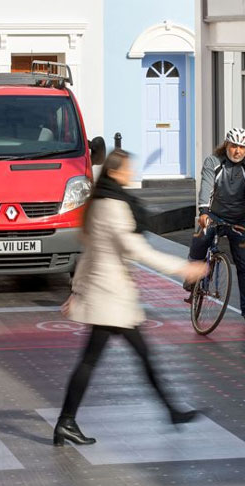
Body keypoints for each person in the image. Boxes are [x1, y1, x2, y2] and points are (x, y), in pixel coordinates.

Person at [54, 149, 208, 447]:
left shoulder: (97, 205)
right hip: (112, 300)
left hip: (105, 298)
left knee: (106, 359)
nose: (131, 174)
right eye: (127, 169)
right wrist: (183, 268)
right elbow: (136, 251)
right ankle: (67, 421)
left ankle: (67, 422)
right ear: (115, 173)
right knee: (121, 359)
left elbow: (89, 254)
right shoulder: (114, 207)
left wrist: (77, 292)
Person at [187, 127, 245, 327]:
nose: (238, 151)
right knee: (201, 237)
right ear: (226, 145)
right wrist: (203, 212)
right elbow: (207, 188)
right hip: (214, 214)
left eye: (242, 147)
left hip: (239, 220)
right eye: (234, 146)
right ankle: (192, 275)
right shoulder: (213, 161)